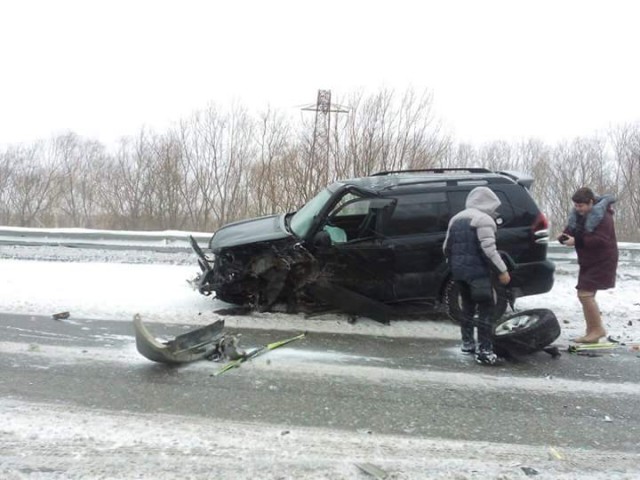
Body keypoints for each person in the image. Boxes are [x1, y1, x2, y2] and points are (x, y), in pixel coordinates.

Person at [443, 186, 511, 365]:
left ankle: (467, 344)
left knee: (467, 308)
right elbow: (488, 250)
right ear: (487, 202)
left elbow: (446, 248)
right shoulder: (483, 219)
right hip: (478, 273)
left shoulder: (456, 219)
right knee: (486, 309)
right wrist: (502, 271)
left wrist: (455, 265)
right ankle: (485, 350)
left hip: (459, 273)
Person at [558, 187, 618, 343]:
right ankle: (592, 331)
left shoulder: (604, 217)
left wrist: (576, 241)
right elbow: (572, 230)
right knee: (586, 294)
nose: (578, 209)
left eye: (581, 206)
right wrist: (563, 236)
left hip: (603, 260)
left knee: (585, 294)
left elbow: (601, 240)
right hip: (588, 260)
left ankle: (597, 330)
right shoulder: (578, 215)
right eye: (576, 206)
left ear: (591, 202)